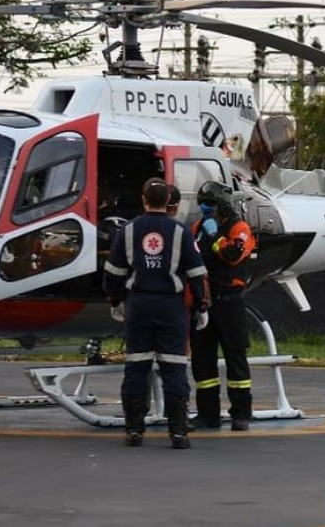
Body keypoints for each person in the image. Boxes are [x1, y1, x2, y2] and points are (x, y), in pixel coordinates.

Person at [102, 177, 207, 449]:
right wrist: (201, 306)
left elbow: (112, 272)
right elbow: (197, 273)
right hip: (171, 308)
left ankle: (134, 430)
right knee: (174, 368)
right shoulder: (181, 232)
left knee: (137, 367)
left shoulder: (128, 230)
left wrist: (116, 301)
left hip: (138, 305)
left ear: (144, 199)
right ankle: (179, 432)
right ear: (168, 202)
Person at [190, 180, 257, 432]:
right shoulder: (196, 228)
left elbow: (232, 256)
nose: (205, 208)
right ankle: (208, 414)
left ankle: (241, 413)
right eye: (202, 204)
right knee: (202, 360)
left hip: (230, 302)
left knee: (235, 357)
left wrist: (214, 235)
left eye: (210, 204)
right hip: (204, 302)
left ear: (222, 205)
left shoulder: (239, 228)